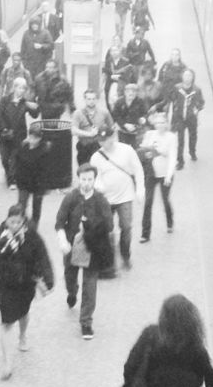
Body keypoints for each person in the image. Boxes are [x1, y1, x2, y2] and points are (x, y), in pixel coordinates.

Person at [0, 205, 55, 380]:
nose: (15, 225)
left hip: (25, 284)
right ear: (6, 220)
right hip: (5, 285)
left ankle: (22, 336)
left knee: (23, 313)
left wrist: (48, 278)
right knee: (7, 321)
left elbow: (43, 257)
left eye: (18, 222)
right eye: (12, 222)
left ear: (23, 222)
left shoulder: (31, 237)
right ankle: (7, 363)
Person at [54, 164, 114, 341]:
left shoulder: (101, 200)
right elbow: (59, 223)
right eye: (83, 179)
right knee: (70, 278)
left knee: (90, 286)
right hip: (72, 247)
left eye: (90, 179)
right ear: (78, 179)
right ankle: (72, 292)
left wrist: (92, 228)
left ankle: (86, 322)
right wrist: (63, 240)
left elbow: (109, 225)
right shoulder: (71, 198)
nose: (86, 183)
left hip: (92, 248)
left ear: (94, 180)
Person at [89, 127, 145, 273]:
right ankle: (109, 260)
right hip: (106, 199)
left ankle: (125, 255)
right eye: (100, 141)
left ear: (112, 137)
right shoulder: (96, 157)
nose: (103, 143)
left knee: (126, 227)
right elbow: (95, 177)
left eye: (105, 140)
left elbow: (138, 169)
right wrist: (98, 186)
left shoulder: (127, 150)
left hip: (125, 196)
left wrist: (140, 189)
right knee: (107, 230)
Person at [138, 111, 179, 242]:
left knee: (165, 199)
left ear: (167, 124)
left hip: (164, 174)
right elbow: (143, 151)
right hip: (151, 173)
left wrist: (169, 175)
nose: (160, 125)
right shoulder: (149, 135)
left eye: (162, 122)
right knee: (148, 202)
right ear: (154, 124)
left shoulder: (171, 137)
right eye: (157, 123)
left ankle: (169, 221)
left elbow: (172, 157)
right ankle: (145, 234)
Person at [0, 76, 38, 188]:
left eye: (23, 88)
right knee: (4, 158)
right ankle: (9, 174)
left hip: (19, 135)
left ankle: (12, 181)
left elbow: (35, 115)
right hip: (5, 135)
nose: (21, 91)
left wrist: (32, 106)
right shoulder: (5, 100)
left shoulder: (24, 102)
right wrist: (4, 129)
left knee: (14, 158)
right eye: (19, 88)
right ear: (14, 88)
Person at [12, 123, 50, 228]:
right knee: (21, 205)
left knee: (36, 206)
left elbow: (45, 170)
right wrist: (15, 177)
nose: (32, 140)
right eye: (31, 137)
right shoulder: (23, 146)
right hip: (23, 181)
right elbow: (16, 161)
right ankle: (21, 224)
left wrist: (44, 185)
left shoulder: (44, 150)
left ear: (40, 138)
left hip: (37, 183)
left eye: (35, 138)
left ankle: (34, 227)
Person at [168, 69, 206, 169]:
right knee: (180, 139)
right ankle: (180, 161)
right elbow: (172, 99)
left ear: (192, 77)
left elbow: (201, 103)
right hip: (180, 117)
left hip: (191, 118)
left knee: (193, 136)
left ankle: (192, 151)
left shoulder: (197, 90)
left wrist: (196, 108)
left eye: (189, 76)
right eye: (185, 75)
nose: (187, 77)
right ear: (182, 77)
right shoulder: (177, 88)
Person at [71, 87, 115, 167]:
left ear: (97, 100)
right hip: (84, 146)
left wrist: (106, 137)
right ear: (84, 100)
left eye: (93, 99)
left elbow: (112, 127)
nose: (91, 101)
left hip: (99, 146)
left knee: (99, 170)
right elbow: (74, 130)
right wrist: (89, 134)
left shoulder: (104, 112)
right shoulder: (78, 113)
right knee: (84, 170)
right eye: (89, 99)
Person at [111, 81, 149, 148]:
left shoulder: (140, 102)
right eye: (129, 92)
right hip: (122, 130)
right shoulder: (119, 102)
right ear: (125, 92)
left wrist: (143, 119)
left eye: (134, 92)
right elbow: (115, 116)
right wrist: (124, 124)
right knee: (122, 148)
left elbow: (145, 114)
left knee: (135, 150)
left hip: (136, 131)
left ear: (137, 93)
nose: (131, 93)